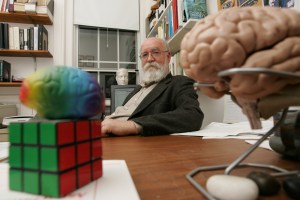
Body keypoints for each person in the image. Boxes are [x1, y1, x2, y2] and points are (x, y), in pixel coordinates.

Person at [101, 37, 204, 136]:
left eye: (155, 52)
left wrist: (133, 125)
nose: (150, 59)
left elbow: (192, 115)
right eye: (145, 55)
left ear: (168, 57)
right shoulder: (137, 89)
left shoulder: (179, 83)